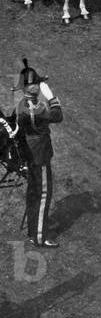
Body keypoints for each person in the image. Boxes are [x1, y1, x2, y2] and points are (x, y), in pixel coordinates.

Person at [12, 60, 62, 248]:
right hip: (39, 156)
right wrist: (51, 97)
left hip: (28, 155)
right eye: (36, 84)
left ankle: (34, 232)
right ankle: (40, 237)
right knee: (42, 195)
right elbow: (58, 116)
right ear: (28, 87)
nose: (38, 87)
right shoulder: (37, 107)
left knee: (33, 194)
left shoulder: (20, 105)